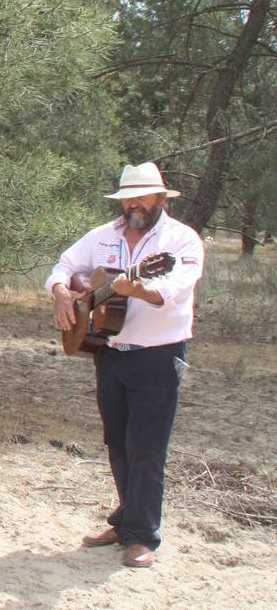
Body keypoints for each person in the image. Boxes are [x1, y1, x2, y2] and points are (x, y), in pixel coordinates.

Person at [47, 162, 204, 570]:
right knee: (117, 441)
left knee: (147, 448)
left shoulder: (181, 241)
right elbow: (63, 265)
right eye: (128, 198)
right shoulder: (102, 236)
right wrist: (62, 291)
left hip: (157, 355)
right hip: (109, 351)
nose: (134, 204)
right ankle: (125, 520)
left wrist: (140, 288)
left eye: (142, 197)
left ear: (160, 198)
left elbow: (172, 288)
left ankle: (142, 535)